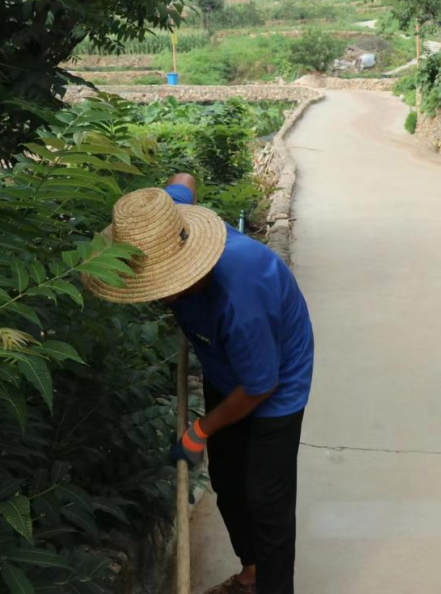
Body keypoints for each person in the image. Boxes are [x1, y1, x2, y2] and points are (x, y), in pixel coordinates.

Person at [83, 176, 314, 594]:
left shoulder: (243, 294)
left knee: (267, 502)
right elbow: (183, 180)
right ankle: (252, 573)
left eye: (166, 283)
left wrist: (199, 430)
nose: (161, 296)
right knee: (227, 482)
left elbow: (260, 386)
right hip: (225, 369)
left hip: (275, 384)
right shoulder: (165, 222)